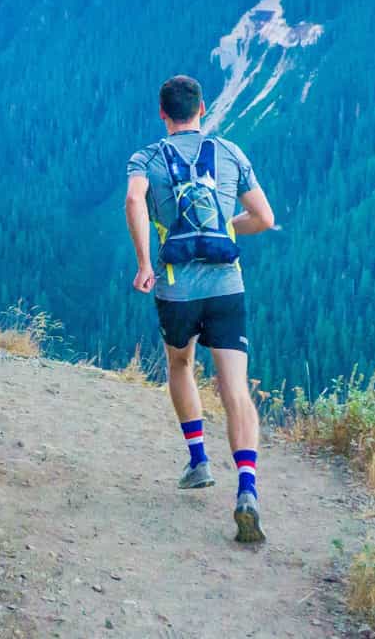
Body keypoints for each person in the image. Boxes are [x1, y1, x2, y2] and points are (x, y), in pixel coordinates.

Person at [124, 74, 276, 543]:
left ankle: (198, 460)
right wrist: (224, 229)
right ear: (203, 109)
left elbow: (134, 199)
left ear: (162, 114)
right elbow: (265, 219)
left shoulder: (145, 157)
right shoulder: (230, 153)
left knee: (180, 363)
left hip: (176, 288)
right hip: (227, 285)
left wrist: (146, 262)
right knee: (235, 387)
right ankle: (247, 489)